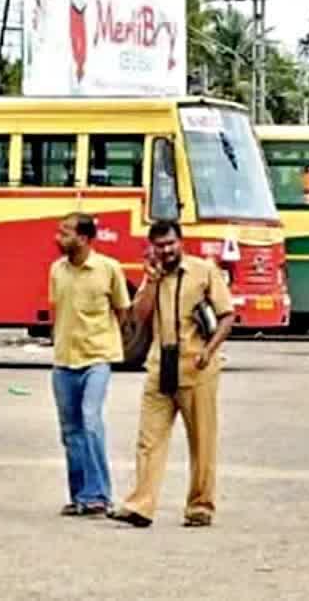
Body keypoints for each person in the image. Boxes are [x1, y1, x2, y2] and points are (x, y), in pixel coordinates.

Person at [108, 220, 234, 528]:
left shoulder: (204, 271)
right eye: (160, 246)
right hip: (159, 366)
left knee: (202, 440)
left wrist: (210, 349)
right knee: (149, 439)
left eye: (170, 244)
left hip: (196, 366)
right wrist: (150, 282)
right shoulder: (155, 276)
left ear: (181, 242)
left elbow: (226, 315)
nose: (166, 250)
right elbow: (138, 317)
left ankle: (200, 506)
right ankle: (141, 505)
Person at [49, 213, 131, 517]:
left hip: (97, 357)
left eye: (65, 232)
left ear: (83, 238)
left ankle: (99, 494)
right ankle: (80, 495)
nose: (59, 238)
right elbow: (56, 311)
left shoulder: (109, 269)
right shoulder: (56, 270)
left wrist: (110, 342)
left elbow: (123, 312)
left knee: (91, 420)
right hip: (63, 361)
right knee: (70, 431)